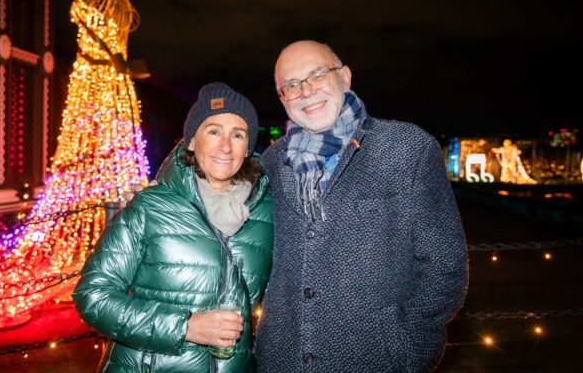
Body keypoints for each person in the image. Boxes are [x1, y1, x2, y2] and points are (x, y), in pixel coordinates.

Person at [254, 40, 469, 372]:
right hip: (283, 359)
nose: (306, 91)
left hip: (376, 361)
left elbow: (444, 266)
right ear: (282, 98)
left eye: (317, 75)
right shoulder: (273, 161)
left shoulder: (407, 149)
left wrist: (408, 350)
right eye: (291, 85)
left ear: (345, 77)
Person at [73, 82, 274, 372]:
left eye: (238, 134)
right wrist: (184, 327)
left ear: (247, 148)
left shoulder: (267, 212)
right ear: (192, 142)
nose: (226, 146)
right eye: (214, 131)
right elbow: (93, 295)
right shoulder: (150, 206)